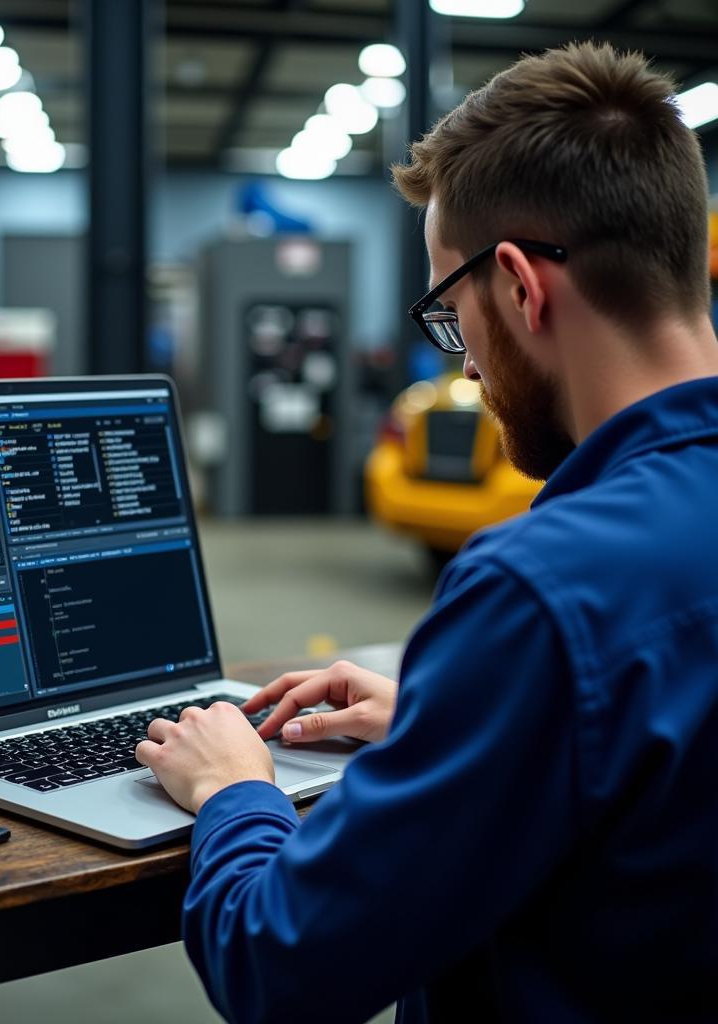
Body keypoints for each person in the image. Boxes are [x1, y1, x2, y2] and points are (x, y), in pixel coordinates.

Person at [134, 41, 718, 1023]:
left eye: (450, 313)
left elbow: (281, 967)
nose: (468, 364)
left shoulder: (541, 589)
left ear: (521, 288)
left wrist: (235, 791)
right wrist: (452, 718)